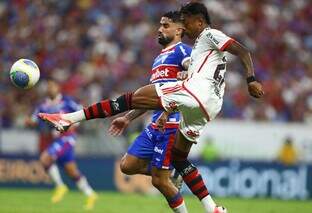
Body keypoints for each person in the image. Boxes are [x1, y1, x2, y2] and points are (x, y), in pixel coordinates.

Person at [38, 2, 264, 213]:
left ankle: (69, 118)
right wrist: (129, 118)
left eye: (184, 22)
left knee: (128, 98)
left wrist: (251, 79)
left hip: (192, 97)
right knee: (176, 158)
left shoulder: (205, 37)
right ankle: (212, 208)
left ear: (199, 21)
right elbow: (188, 73)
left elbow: (241, 50)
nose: (184, 26)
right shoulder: (180, 54)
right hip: (206, 108)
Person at [108, 11, 191, 212]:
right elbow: (152, 98)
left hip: (172, 122)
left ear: (179, 30)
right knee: (127, 166)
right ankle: (171, 172)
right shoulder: (158, 59)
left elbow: (193, 76)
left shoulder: (184, 51)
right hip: (155, 122)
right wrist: (127, 118)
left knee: (159, 182)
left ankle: (167, 176)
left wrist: (187, 73)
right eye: (160, 25)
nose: (160, 29)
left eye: (165, 25)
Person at [27, 78, 98, 210]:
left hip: (67, 138)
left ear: (58, 87)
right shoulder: (43, 105)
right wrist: (30, 122)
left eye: (52, 86)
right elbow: (33, 120)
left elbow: (82, 114)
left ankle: (60, 186)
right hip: (53, 140)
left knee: (45, 158)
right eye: (48, 86)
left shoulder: (67, 101)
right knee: (72, 171)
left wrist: (73, 125)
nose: (50, 88)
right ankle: (91, 194)